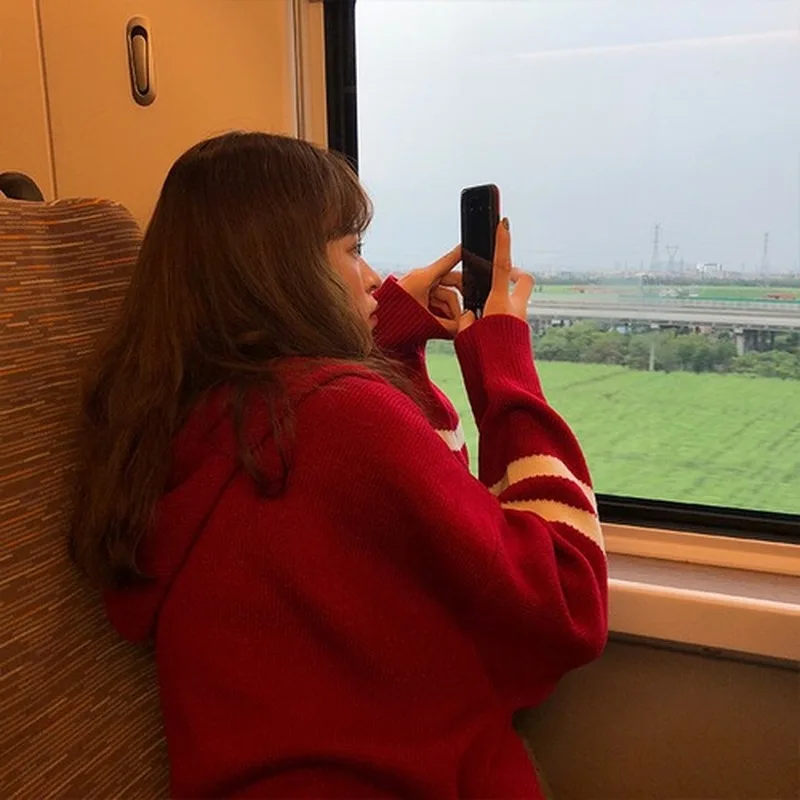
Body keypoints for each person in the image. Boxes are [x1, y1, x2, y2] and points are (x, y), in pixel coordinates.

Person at [70, 131, 608, 799]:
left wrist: (386, 337)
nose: (375, 278)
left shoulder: (180, 418)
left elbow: (414, 506)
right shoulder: (343, 416)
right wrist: (503, 360)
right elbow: (564, 601)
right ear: (281, 271)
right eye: (353, 250)